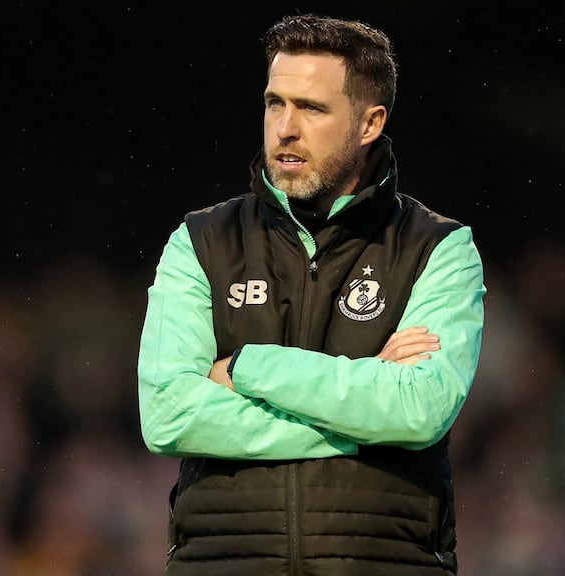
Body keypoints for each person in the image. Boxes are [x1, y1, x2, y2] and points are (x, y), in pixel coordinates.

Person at [137, 13, 485, 576]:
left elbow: (419, 411)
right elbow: (167, 416)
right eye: (276, 103)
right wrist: (363, 414)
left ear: (369, 123)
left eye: (313, 108)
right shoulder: (201, 240)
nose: (285, 129)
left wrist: (251, 366)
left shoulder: (438, 247)